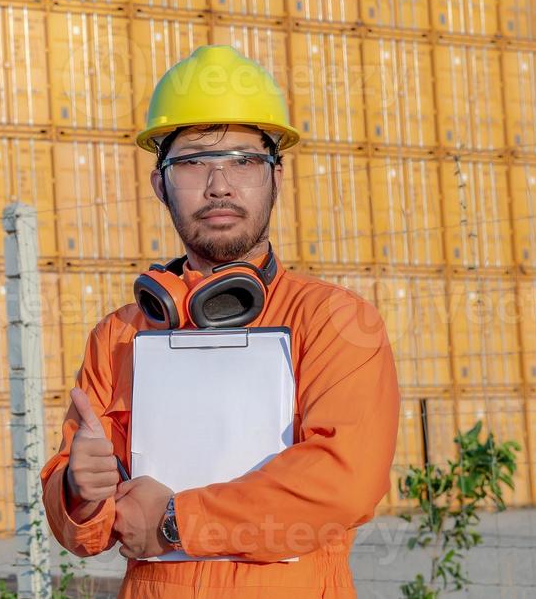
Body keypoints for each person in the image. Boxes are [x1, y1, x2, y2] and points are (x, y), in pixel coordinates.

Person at [40, 45, 400, 597]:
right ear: (159, 184)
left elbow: (343, 482)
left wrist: (175, 521)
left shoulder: (335, 322)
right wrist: (78, 491)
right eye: (191, 163)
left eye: (244, 161)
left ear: (276, 179)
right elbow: (83, 531)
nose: (219, 186)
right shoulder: (119, 336)